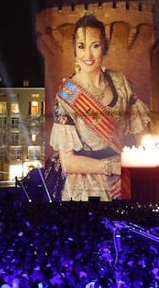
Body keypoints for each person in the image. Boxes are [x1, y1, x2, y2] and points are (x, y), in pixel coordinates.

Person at [49, 12, 150, 201]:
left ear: (104, 48)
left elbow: (144, 138)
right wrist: (113, 168)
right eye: (81, 47)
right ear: (75, 51)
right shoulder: (67, 96)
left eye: (95, 46)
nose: (88, 55)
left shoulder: (120, 82)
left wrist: (132, 174)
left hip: (124, 180)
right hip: (85, 187)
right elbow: (68, 162)